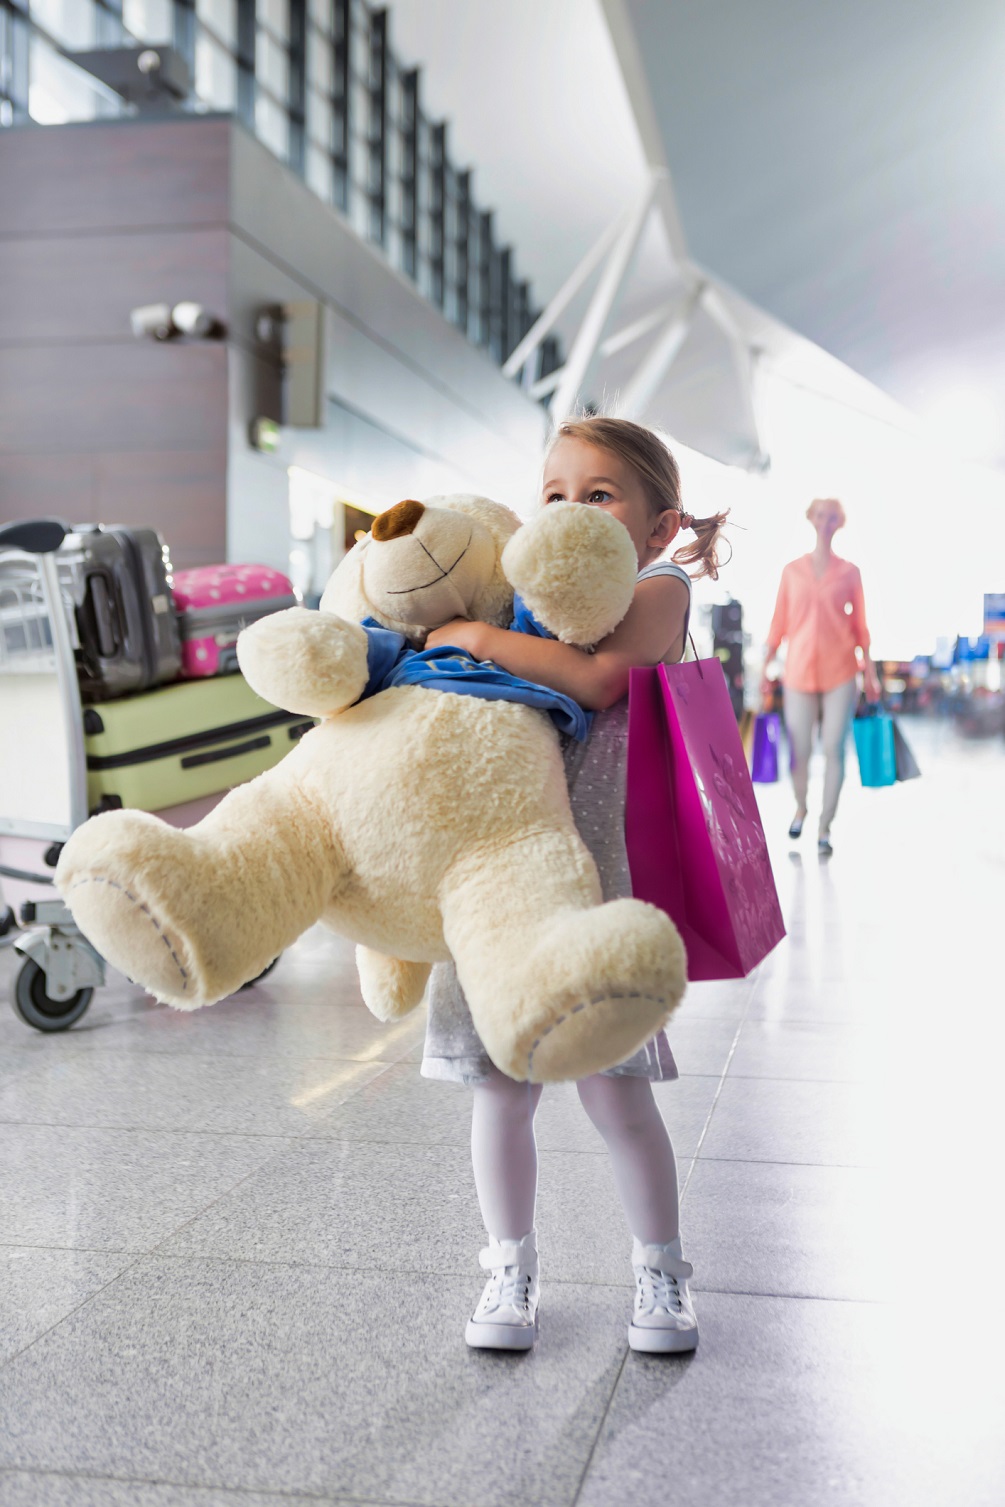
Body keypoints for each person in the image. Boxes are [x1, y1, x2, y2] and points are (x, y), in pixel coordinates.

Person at [422, 416, 728, 1354]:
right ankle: (506, 1265)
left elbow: (599, 682)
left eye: (599, 496)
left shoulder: (659, 586)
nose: (569, 513)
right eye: (553, 495)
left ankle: (660, 1268)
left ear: (659, 525)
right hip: (505, 884)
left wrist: (473, 634)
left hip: (600, 882)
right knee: (500, 1089)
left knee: (616, 1095)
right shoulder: (527, 596)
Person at [760, 497, 881, 857]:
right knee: (798, 750)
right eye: (821, 515)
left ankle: (825, 827)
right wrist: (765, 667)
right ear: (811, 519)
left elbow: (860, 627)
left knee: (833, 749)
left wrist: (870, 673)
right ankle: (801, 807)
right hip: (797, 672)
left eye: (833, 517)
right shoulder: (791, 571)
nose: (826, 522)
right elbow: (778, 622)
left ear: (839, 523)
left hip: (842, 670)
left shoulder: (849, 572)